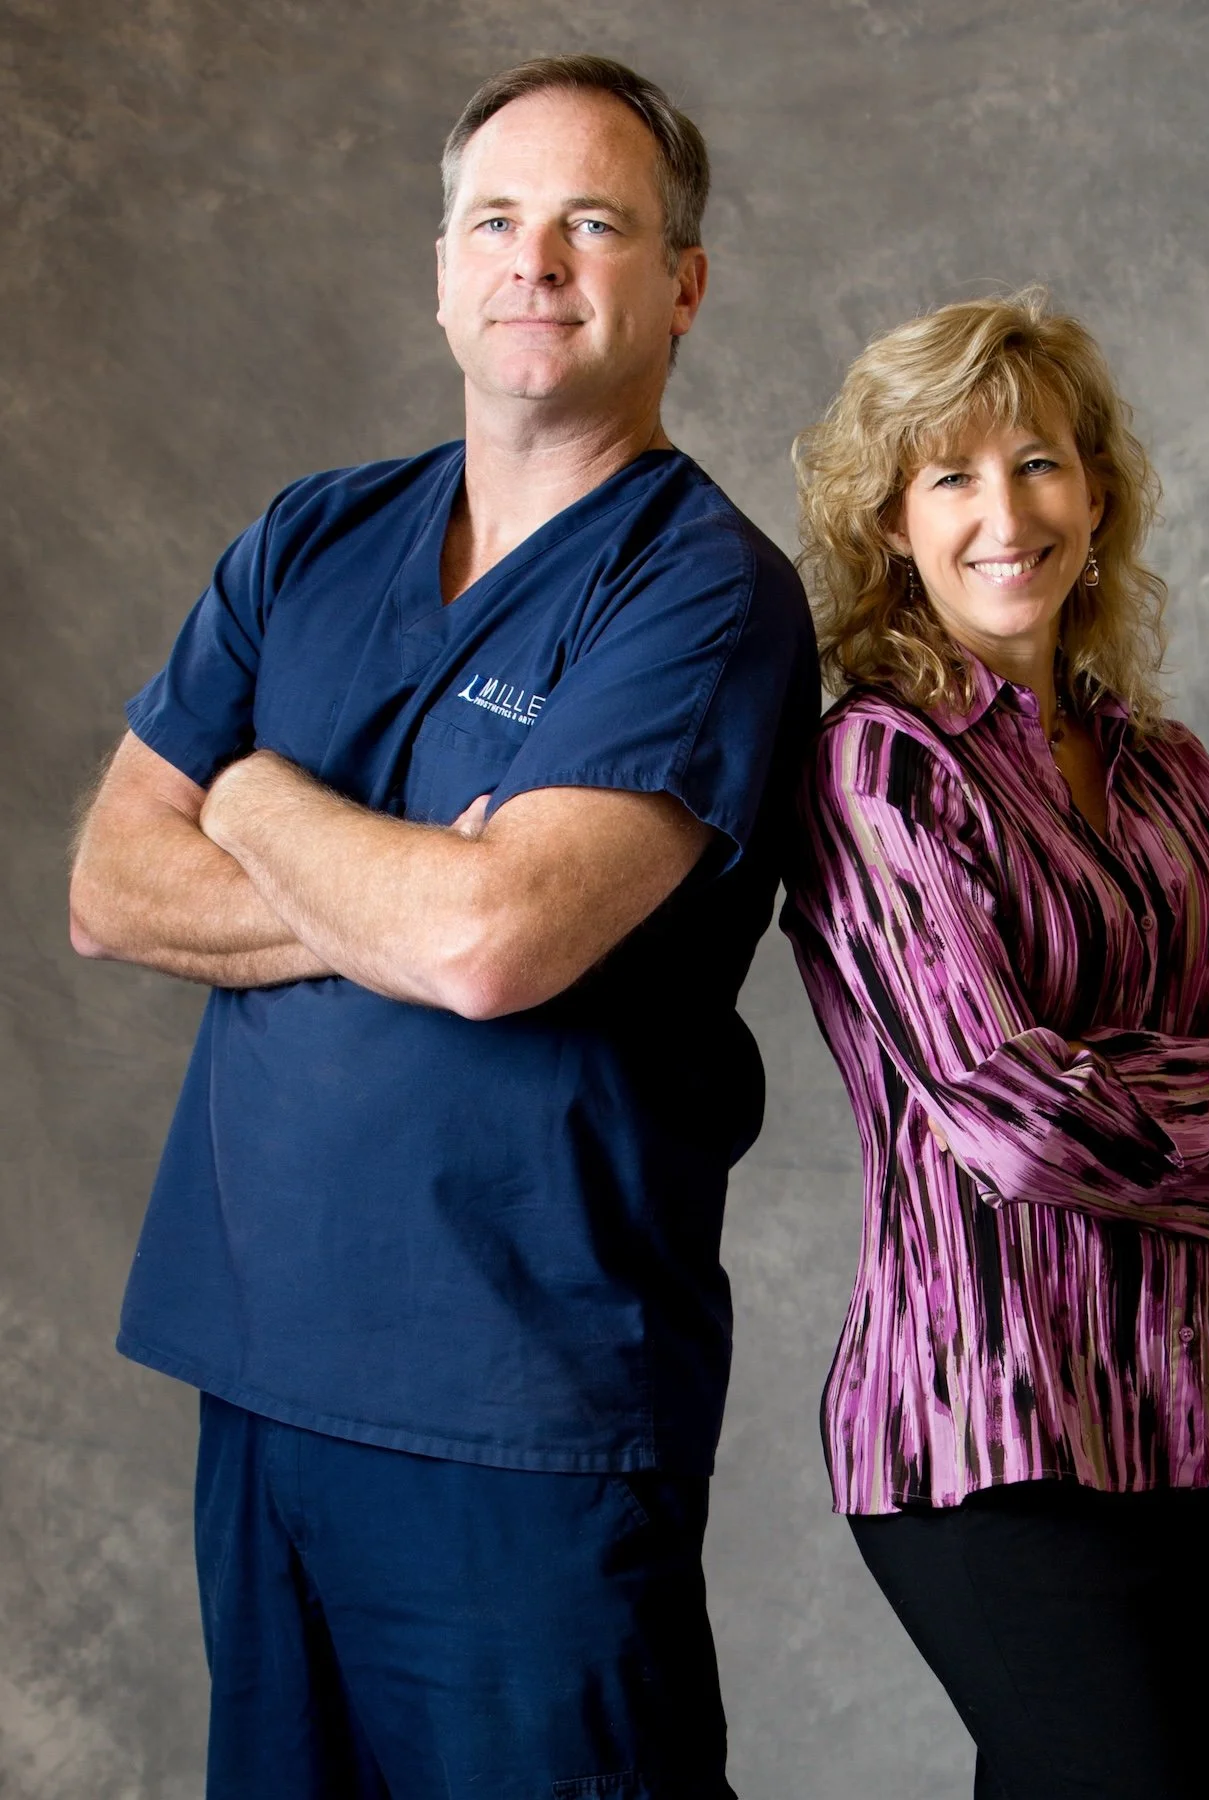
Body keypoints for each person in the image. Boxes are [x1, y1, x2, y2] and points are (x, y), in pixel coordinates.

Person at [69, 54, 817, 1799]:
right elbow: (110, 887)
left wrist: (242, 790)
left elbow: (494, 944)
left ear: (683, 284)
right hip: (260, 1370)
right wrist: (389, 891)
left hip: (522, 1411)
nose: (534, 261)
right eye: (496, 218)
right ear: (441, 266)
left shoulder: (703, 590)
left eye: (594, 224)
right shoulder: (312, 535)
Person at [781, 290, 1209, 1799]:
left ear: (1096, 495)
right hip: (979, 1416)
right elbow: (1009, 1120)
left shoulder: (1172, 774)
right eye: (952, 476)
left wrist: (1124, 1086)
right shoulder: (879, 772)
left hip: (1180, 1407)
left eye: (1038, 463)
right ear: (893, 527)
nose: (1007, 511)